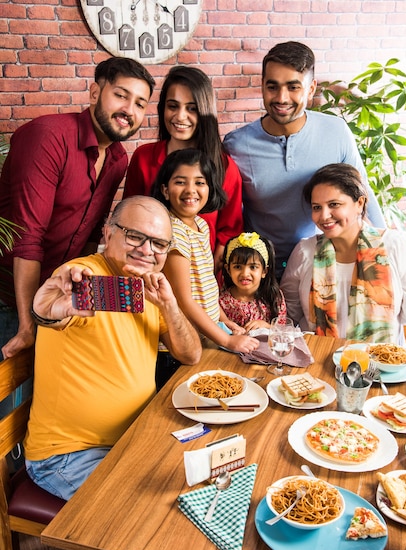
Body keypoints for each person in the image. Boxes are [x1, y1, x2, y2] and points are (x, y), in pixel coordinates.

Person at [24, 195, 201, 550]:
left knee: (206, 491)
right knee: (176, 523)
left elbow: (190, 353)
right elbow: (54, 306)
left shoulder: (141, 289)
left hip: (129, 445)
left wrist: (171, 304)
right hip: (67, 455)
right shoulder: (85, 276)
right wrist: (45, 311)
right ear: (107, 233)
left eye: (158, 243)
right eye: (135, 236)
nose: (147, 250)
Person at [0, 56, 155, 359]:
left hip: (52, 296)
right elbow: (26, 239)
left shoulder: (117, 159)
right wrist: (27, 323)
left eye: (140, 103)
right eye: (121, 95)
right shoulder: (48, 137)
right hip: (9, 299)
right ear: (95, 93)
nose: (129, 110)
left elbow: (87, 238)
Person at [223, 40, 386, 281]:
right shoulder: (235, 144)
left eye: (293, 87)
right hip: (262, 274)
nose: (281, 98)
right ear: (262, 87)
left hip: (323, 266)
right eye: (272, 87)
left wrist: (385, 248)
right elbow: (230, 214)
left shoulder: (336, 132)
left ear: (311, 89)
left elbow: (363, 194)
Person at [123, 65, 243, 274]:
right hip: (147, 275)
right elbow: (127, 220)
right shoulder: (143, 158)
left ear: (205, 111)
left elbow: (228, 232)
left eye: (191, 108)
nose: (180, 116)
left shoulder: (224, 167)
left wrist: (209, 279)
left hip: (201, 280)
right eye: (173, 106)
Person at [280, 163, 406, 343]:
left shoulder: (396, 246)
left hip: (382, 365)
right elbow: (288, 314)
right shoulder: (305, 252)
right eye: (317, 207)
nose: (324, 216)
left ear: (359, 203)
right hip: (315, 363)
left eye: (334, 204)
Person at [152, 148, 259, 357]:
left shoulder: (201, 225)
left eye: (199, 182)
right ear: (165, 190)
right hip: (178, 345)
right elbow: (184, 300)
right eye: (180, 182)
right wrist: (227, 339)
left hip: (205, 334)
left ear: (210, 188)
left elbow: (207, 286)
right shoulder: (174, 232)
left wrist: (224, 321)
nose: (190, 190)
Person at [219, 232, 287, 331]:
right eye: (238, 267)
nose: (245, 273)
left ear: (264, 271)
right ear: (228, 269)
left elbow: (282, 331)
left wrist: (266, 326)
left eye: (253, 267)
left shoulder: (273, 297)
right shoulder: (222, 301)